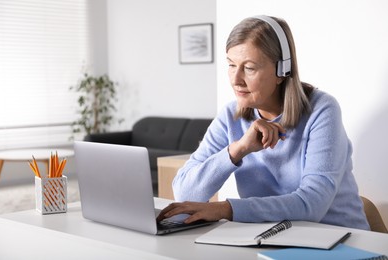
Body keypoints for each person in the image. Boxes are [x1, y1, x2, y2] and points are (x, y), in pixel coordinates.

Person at [157, 15, 370, 230]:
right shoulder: (231, 116)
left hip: (343, 240)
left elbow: (312, 204)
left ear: (281, 71)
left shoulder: (322, 110)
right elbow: (184, 193)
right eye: (231, 65)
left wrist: (226, 209)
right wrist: (237, 150)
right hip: (275, 239)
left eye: (249, 68)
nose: (235, 79)